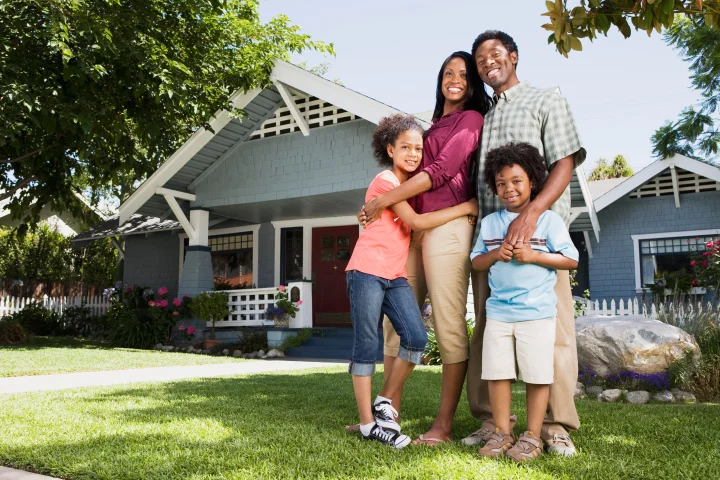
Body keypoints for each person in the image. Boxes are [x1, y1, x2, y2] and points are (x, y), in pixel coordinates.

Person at [463, 30, 586, 456]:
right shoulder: (484, 113)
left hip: (538, 242)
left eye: (495, 55)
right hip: (492, 242)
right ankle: (493, 423)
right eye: (480, 60)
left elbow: (565, 162)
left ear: (514, 57)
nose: (487, 63)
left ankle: (552, 425)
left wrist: (530, 217)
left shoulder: (545, 98)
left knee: (552, 335)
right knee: (489, 331)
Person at [358, 51, 491, 446]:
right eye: (448, 73)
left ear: (473, 83)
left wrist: (383, 200)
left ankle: (443, 425)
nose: (454, 79)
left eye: (463, 74)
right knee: (394, 326)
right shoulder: (432, 128)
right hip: (413, 230)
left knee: (449, 325)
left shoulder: (471, 120)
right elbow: (411, 170)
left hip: (449, 225)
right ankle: (386, 418)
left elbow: (441, 172)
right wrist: (385, 202)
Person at [471, 143, 578, 462]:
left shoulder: (548, 222)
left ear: (533, 180)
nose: (509, 188)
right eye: (501, 183)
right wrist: (494, 254)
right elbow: (476, 262)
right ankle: (502, 432)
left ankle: (532, 435)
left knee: (537, 375)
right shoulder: (490, 223)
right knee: (497, 374)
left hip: (537, 315)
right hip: (499, 316)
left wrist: (534, 256)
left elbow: (571, 260)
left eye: (517, 180)